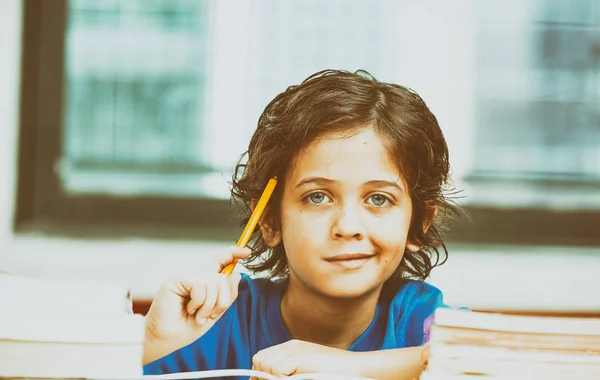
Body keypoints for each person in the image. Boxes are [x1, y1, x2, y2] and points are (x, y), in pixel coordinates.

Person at [142, 69, 463, 380]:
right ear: (269, 221)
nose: (348, 226)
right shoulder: (216, 323)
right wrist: (152, 341)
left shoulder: (425, 319)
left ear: (418, 223)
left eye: (379, 199)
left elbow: (493, 365)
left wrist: (346, 366)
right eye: (318, 197)